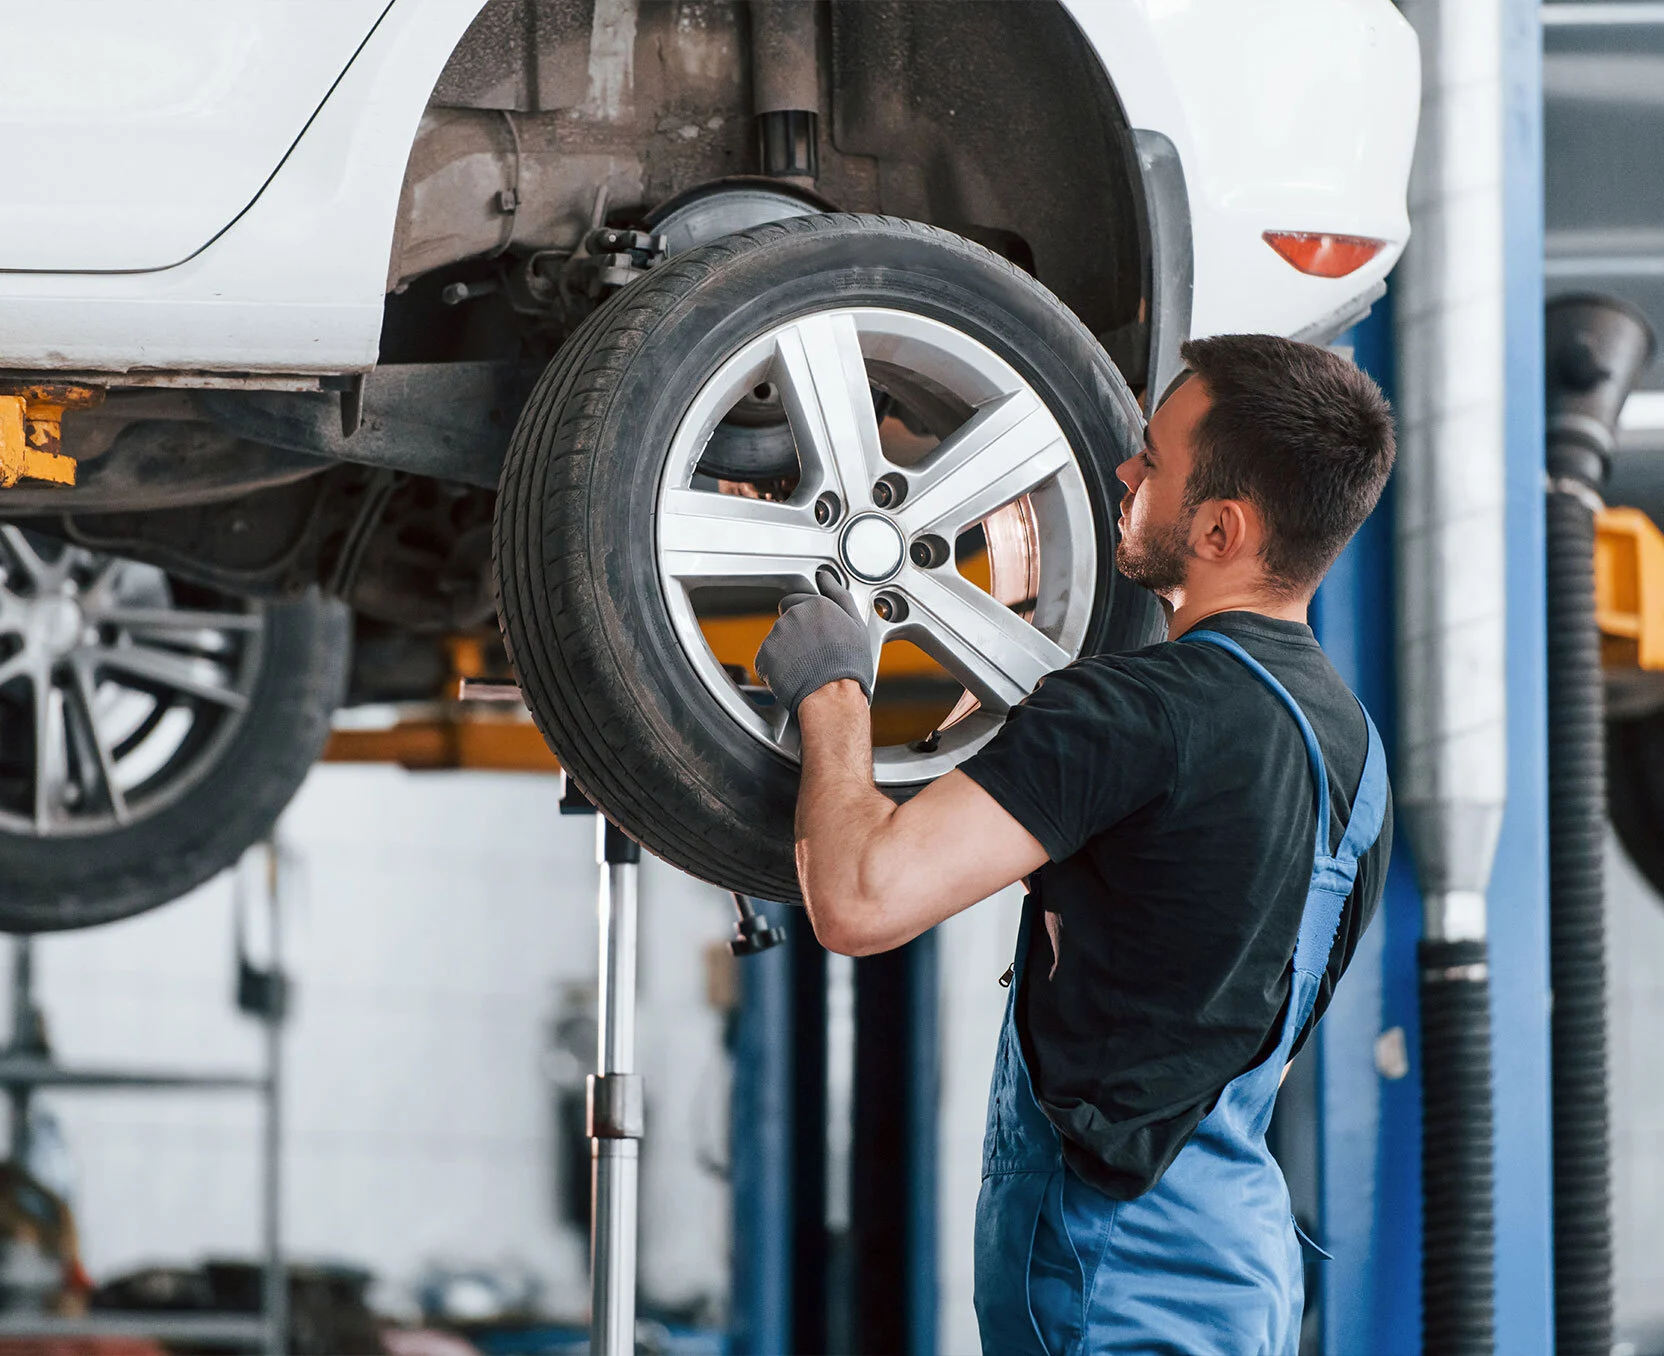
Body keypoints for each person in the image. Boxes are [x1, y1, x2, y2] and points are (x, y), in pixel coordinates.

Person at [753, 332, 1397, 1354]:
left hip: (1118, 1278)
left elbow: (857, 899)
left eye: (1153, 462)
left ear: (1220, 528)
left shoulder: (1137, 717)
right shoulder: (1352, 757)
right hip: (1234, 1262)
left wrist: (832, 689)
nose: (1122, 472)